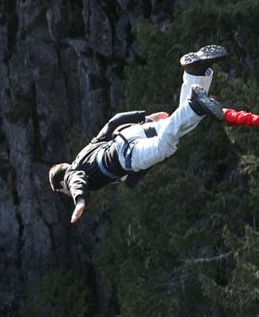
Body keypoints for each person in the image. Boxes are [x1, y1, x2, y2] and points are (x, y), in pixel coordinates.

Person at [49, 45, 227, 223]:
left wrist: (79, 202)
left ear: (61, 186)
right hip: (131, 133)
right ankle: (196, 73)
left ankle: (194, 103)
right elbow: (112, 123)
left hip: (126, 154)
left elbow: (76, 182)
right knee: (180, 126)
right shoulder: (85, 152)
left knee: (164, 146)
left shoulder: (71, 175)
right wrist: (146, 118)